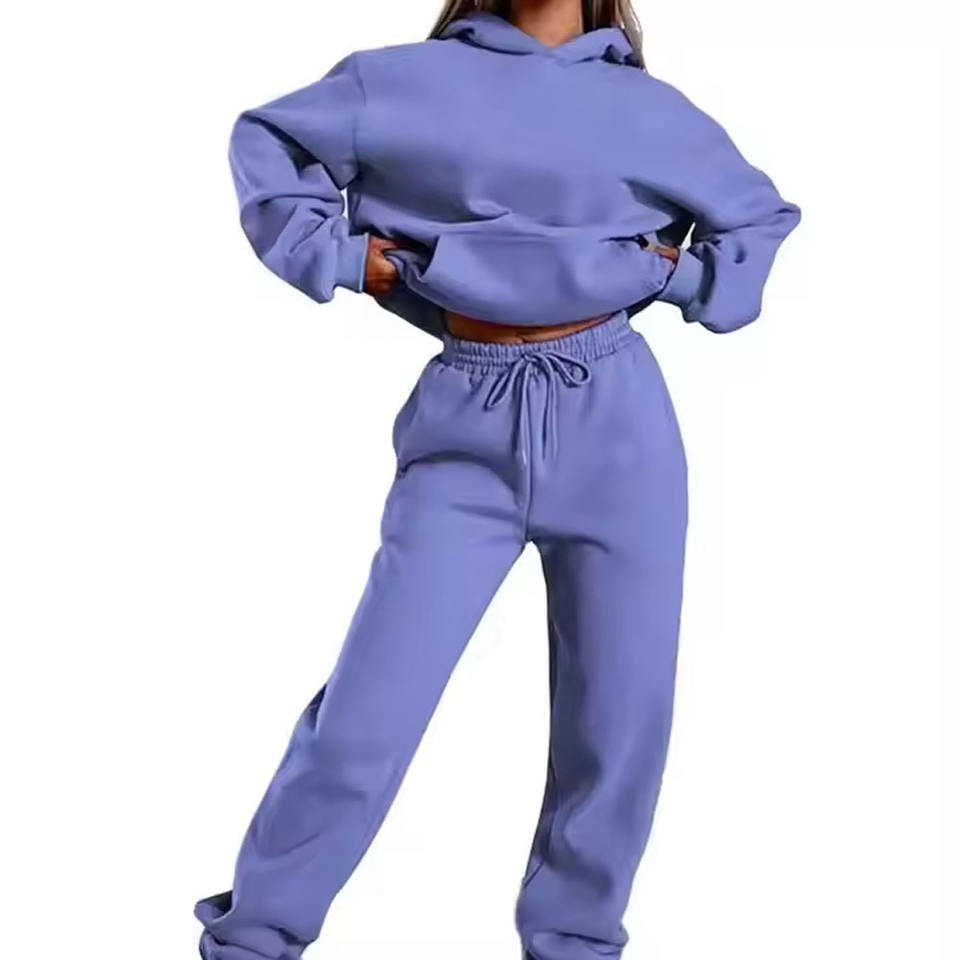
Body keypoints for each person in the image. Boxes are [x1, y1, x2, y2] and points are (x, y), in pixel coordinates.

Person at [195, 2, 801, 958]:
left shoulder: (648, 110)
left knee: (619, 722)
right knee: (366, 717)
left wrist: (677, 278)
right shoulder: (396, 83)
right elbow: (266, 138)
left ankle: (574, 944)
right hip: (465, 420)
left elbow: (760, 216)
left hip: (617, 419)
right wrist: (339, 257)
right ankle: (254, 942)